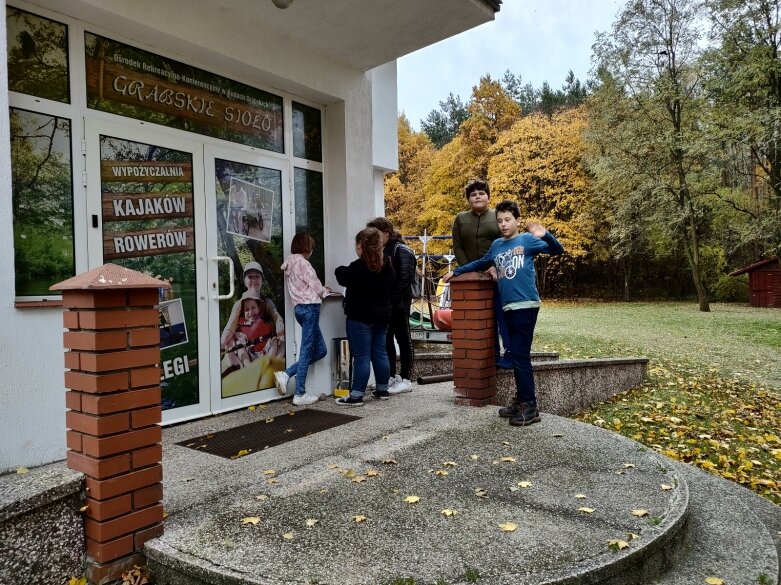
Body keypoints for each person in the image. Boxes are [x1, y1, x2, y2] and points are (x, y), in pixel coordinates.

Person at [443, 199, 564, 427]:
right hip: (508, 306)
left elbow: (558, 250)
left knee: (520, 356)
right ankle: (522, 401)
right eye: (499, 221)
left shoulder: (527, 240)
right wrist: (456, 272)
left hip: (526, 305)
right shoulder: (498, 245)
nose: (503, 224)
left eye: (508, 220)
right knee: (517, 355)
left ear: (517, 221)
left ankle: (530, 406)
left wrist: (544, 234)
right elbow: (481, 262)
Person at [451, 179, 512, 369]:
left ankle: (509, 354)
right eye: (473, 194)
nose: (477, 196)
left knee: (502, 316)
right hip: (472, 278)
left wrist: (494, 266)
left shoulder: (497, 216)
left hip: (497, 275)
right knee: (480, 317)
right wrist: (469, 269)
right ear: (468, 199)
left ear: (488, 196)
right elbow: (458, 246)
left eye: (481, 193)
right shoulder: (460, 219)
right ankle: (491, 356)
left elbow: (505, 242)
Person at [334, 227, 396, 406]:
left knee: (361, 356)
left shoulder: (358, 267)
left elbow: (341, 275)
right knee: (380, 352)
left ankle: (356, 395)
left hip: (360, 318)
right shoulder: (387, 266)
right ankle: (383, 389)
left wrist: (339, 268)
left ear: (361, 246)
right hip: (382, 317)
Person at [274, 233, 331, 406]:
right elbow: (314, 284)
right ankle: (299, 393)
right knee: (306, 349)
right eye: (312, 248)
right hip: (310, 308)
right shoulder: (303, 263)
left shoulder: (290, 264)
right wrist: (325, 291)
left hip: (299, 309)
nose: (312, 251)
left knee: (320, 350)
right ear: (307, 247)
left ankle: (286, 374)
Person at [367, 217, 416, 394]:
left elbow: (405, 278)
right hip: (386, 304)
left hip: (399, 304)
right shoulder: (381, 250)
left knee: (403, 338)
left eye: (377, 234)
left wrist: (390, 297)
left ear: (387, 233)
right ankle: (391, 376)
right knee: (386, 340)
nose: (374, 239)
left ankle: (406, 378)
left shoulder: (401, 249)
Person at [221, 261, 285, 354]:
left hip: (265, 346)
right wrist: (222, 343)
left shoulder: (267, 303)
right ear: (244, 280)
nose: (254, 280)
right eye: (250, 277)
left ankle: (275, 362)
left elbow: (276, 317)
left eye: (257, 276)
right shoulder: (239, 304)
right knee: (230, 342)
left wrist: (279, 322)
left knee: (282, 338)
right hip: (245, 347)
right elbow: (230, 327)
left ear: (262, 280)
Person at [225, 290, 282, 371]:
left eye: (253, 308)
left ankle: (269, 364)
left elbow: (274, 334)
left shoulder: (266, 321)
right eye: (247, 309)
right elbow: (239, 338)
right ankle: (248, 368)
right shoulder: (241, 324)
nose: (250, 312)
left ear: (259, 309)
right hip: (249, 354)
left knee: (274, 340)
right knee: (237, 343)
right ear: (243, 312)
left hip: (265, 352)